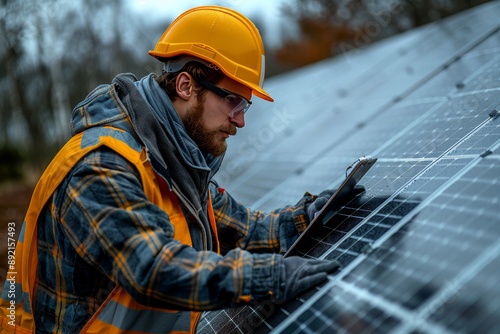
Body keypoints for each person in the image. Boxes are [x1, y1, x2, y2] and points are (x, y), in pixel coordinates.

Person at [0, 6, 358, 333]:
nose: (242, 120)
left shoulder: (174, 163)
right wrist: (266, 278)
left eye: (245, 104)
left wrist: (311, 216)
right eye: (233, 100)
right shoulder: (101, 167)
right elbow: (153, 268)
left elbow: (246, 229)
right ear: (186, 85)